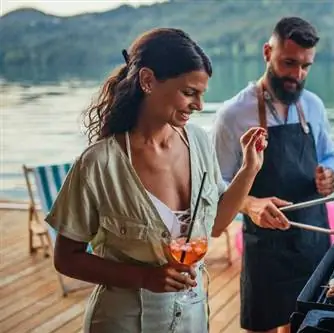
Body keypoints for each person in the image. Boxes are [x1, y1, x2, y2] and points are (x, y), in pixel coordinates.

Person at [45, 28, 267, 333]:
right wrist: (144, 278)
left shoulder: (199, 142)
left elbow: (215, 225)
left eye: (202, 94)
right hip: (122, 323)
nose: (199, 105)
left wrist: (249, 169)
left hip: (192, 319)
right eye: (189, 92)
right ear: (147, 81)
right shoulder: (99, 163)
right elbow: (66, 259)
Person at [213, 17, 334, 333]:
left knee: (306, 324)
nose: (298, 75)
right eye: (289, 63)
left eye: (306, 66)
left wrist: (330, 173)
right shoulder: (233, 114)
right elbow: (216, 186)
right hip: (266, 248)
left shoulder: (314, 106)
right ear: (267, 52)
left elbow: (329, 155)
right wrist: (250, 203)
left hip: (313, 238)